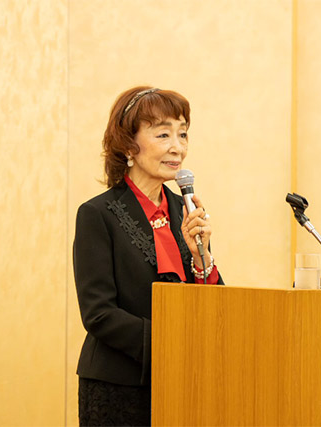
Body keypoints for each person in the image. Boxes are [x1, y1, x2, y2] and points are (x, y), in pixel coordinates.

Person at [73, 86, 223, 426]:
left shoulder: (184, 211)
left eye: (183, 134)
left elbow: (212, 305)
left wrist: (202, 259)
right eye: (163, 134)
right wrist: (173, 343)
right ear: (129, 144)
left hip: (184, 382)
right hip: (118, 386)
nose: (178, 147)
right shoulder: (98, 214)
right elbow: (98, 313)